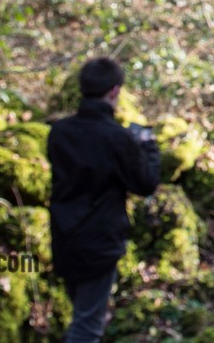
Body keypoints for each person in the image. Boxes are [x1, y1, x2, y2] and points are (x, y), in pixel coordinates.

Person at [49, 58, 161, 342]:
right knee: (86, 328)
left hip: (64, 236)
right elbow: (145, 184)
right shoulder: (116, 138)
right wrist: (147, 147)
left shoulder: (59, 132)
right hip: (99, 242)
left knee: (83, 315)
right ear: (114, 91)